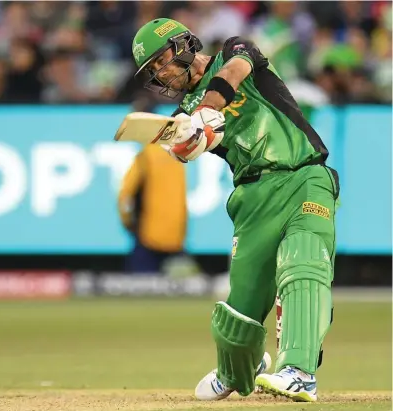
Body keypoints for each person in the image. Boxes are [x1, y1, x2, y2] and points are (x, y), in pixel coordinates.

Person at [130, 18, 339, 402]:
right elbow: (191, 142)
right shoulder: (186, 109)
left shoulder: (234, 49)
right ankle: (238, 370)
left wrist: (208, 112)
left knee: (303, 264)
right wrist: (185, 139)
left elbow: (233, 72)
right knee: (237, 317)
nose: (161, 72)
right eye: (153, 70)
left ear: (184, 45)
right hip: (252, 198)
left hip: (303, 176)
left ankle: (298, 371)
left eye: (162, 60)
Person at [118, 144, 186, 274]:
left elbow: (125, 196)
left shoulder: (145, 156)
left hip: (148, 237)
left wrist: (128, 223)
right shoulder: (179, 156)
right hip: (176, 237)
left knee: (141, 287)